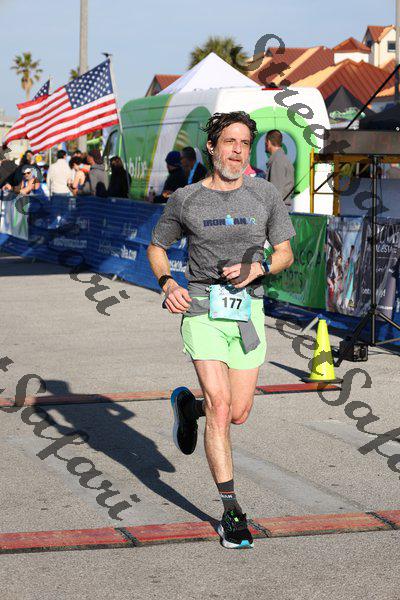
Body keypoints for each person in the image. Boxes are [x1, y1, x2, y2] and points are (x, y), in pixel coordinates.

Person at [147, 111, 295, 549]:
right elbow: (157, 248)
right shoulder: (187, 198)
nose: (237, 150)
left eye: (244, 143)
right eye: (229, 141)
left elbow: (285, 253)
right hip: (201, 308)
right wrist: (167, 282)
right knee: (221, 403)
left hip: (247, 311)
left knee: (237, 412)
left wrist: (258, 267)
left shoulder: (264, 193)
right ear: (211, 147)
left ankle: (187, 408)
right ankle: (231, 512)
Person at [265, 130, 294, 210]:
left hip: (278, 210)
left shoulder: (277, 160)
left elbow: (276, 191)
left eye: (265, 142)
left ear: (268, 142)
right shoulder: (281, 158)